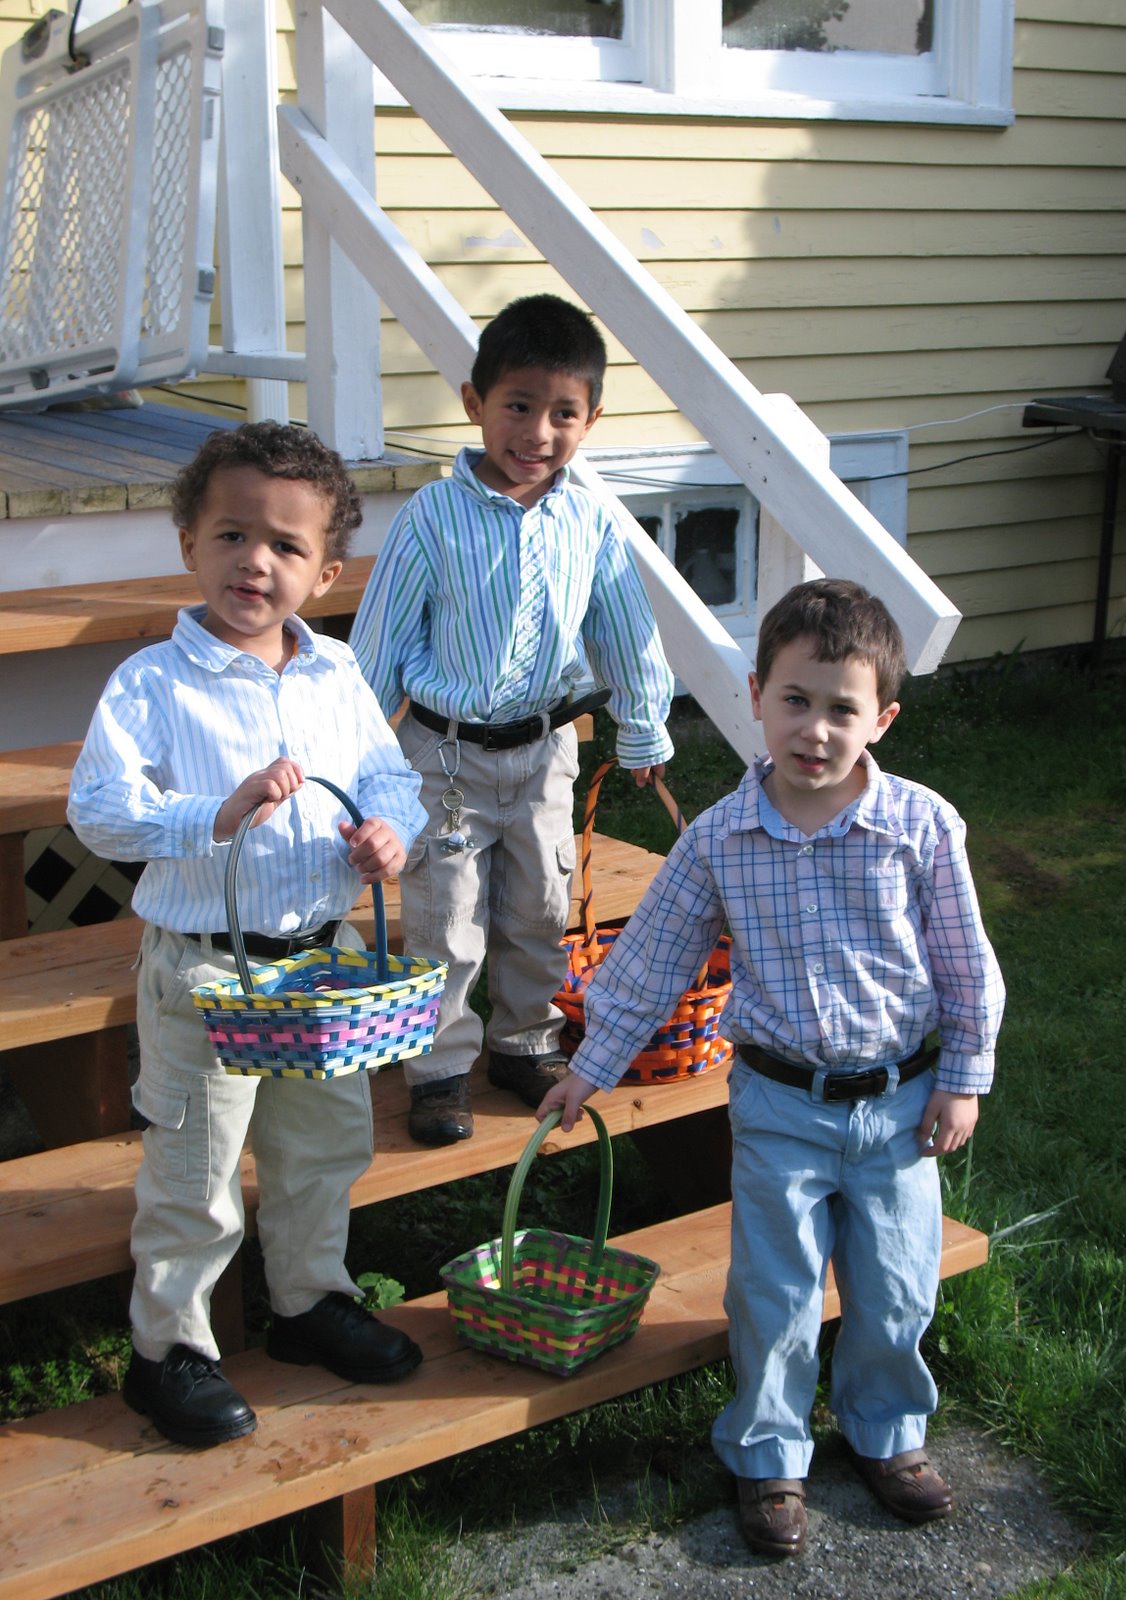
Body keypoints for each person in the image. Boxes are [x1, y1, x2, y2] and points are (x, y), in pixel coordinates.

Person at [537, 579, 1005, 1559]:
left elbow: (967, 963)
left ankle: (886, 1430)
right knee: (775, 1290)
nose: (815, 730)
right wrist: (593, 1064)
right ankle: (768, 1451)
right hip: (779, 1106)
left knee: (896, 1285)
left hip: (900, 1106)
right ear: (757, 695)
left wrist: (963, 1074)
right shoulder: (719, 837)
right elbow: (651, 960)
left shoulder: (921, 827)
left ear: (882, 719)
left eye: (842, 709)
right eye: (796, 699)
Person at [68, 422, 430, 1449]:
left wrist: (388, 828)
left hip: (320, 969)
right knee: (196, 1168)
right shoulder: (153, 683)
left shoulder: (336, 674)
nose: (254, 561)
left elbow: (388, 774)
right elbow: (98, 809)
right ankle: (169, 1349)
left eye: (284, 545)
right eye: (231, 534)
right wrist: (210, 816)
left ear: (325, 573)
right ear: (190, 540)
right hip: (204, 976)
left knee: (323, 1148)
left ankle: (310, 1301)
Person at [351, 293, 674, 1147]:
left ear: (591, 419)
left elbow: (624, 626)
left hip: (543, 756)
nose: (537, 432)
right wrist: (351, 757)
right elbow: (378, 644)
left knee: (538, 907)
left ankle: (524, 1041)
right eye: (518, 406)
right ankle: (439, 1067)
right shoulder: (431, 518)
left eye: (563, 413)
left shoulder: (589, 522)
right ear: (474, 403)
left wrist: (643, 724)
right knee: (446, 918)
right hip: (443, 757)